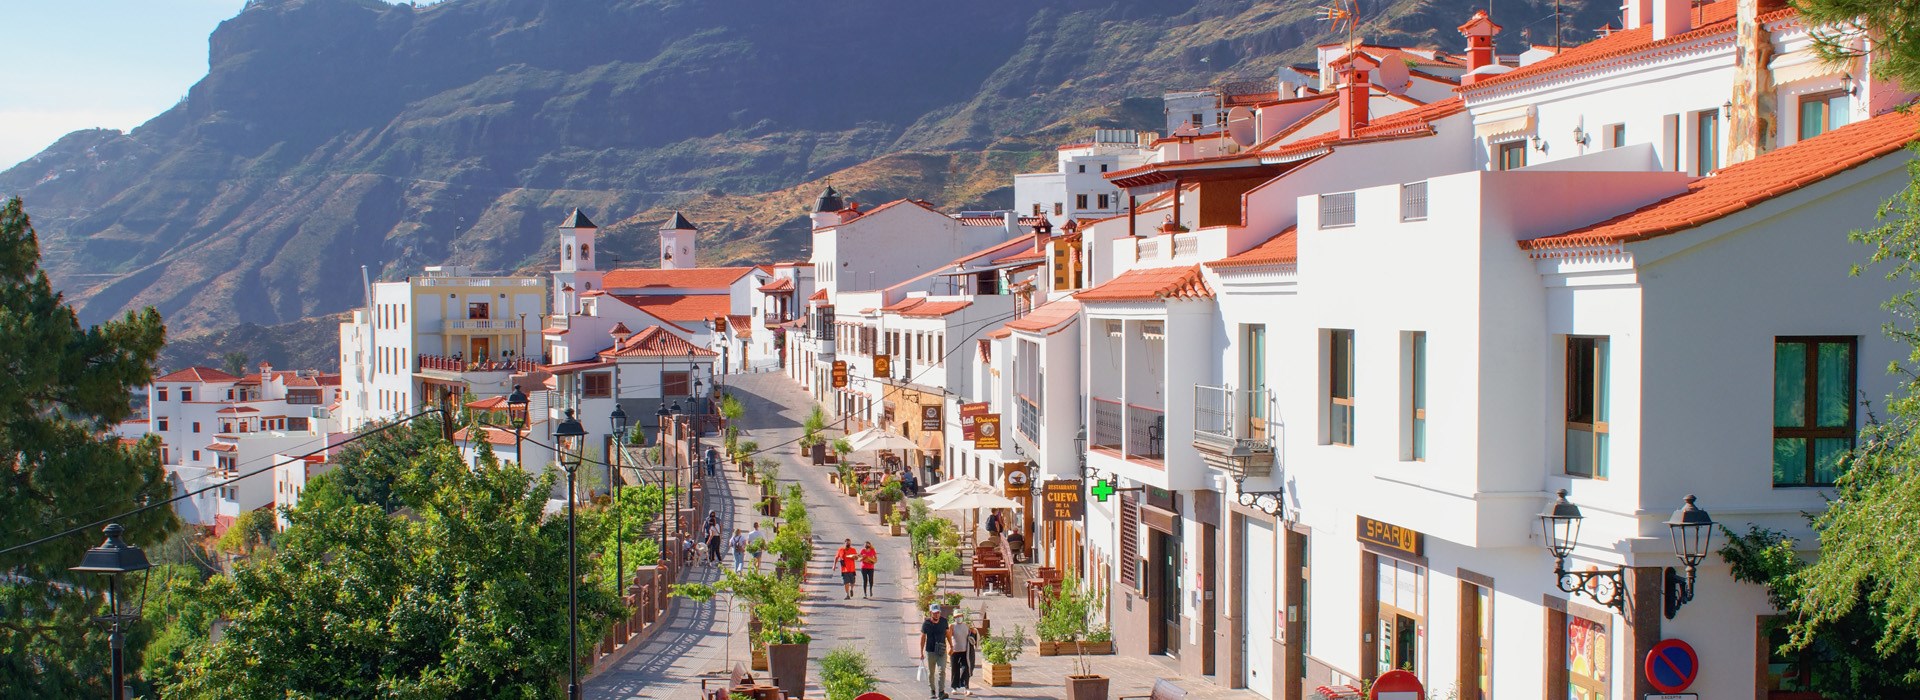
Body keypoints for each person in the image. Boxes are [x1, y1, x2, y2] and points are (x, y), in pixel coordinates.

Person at [918, 604, 951, 700]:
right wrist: (921, 652)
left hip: (941, 651)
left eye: (938, 613)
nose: (936, 615)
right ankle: (932, 691)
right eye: (934, 613)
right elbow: (923, 638)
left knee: (942, 671)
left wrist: (951, 646)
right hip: (930, 651)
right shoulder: (926, 623)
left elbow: (948, 634)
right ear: (930, 613)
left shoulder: (944, 621)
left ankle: (941, 692)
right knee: (931, 672)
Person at [948, 612, 977, 697]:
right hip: (955, 651)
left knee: (966, 668)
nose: (958, 618)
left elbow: (974, 632)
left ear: (962, 616)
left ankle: (966, 687)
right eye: (957, 616)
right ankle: (954, 687)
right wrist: (950, 647)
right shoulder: (952, 626)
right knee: (955, 669)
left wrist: (973, 631)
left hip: (965, 651)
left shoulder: (966, 625)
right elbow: (949, 636)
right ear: (954, 618)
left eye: (960, 616)